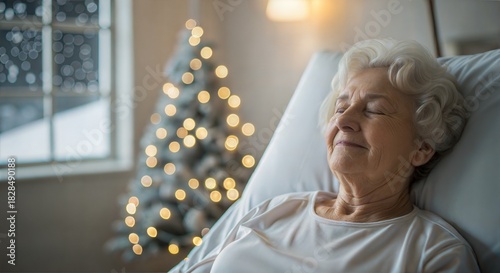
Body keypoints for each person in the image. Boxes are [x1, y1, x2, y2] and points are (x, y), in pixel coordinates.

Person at [169, 39, 480, 273]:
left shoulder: (432, 252)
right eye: (341, 108)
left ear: (422, 147)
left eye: (374, 110)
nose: (343, 121)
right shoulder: (275, 209)